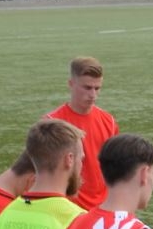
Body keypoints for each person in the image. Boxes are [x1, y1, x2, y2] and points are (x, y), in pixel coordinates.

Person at [46, 57, 118, 211]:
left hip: (102, 209)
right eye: (87, 88)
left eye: (97, 88)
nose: (93, 95)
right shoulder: (51, 124)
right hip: (68, 210)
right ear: (71, 84)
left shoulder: (109, 121)